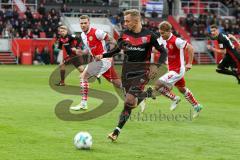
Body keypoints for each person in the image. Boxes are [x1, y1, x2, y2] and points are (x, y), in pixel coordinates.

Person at [95, 9, 167, 141]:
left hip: (142, 72)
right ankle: (146, 94)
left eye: (127, 21)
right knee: (131, 104)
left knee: (128, 100)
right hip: (126, 72)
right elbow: (116, 50)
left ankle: (116, 131)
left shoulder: (150, 35)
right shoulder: (124, 35)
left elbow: (163, 52)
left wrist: (156, 66)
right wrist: (103, 55)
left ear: (136, 21)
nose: (125, 23)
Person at [70, 15, 122, 111]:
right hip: (99, 61)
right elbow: (89, 50)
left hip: (104, 60)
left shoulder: (97, 32)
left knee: (83, 76)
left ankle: (83, 103)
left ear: (89, 23)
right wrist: (80, 52)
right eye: (81, 23)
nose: (83, 25)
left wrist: (112, 52)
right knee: (116, 82)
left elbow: (112, 40)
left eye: (85, 23)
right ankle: (135, 93)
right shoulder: (83, 35)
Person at [152, 21, 203, 118]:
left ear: (169, 31)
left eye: (163, 33)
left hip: (177, 70)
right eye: (160, 33)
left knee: (158, 84)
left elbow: (190, 48)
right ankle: (197, 106)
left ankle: (174, 98)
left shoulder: (176, 41)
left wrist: (189, 63)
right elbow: (155, 48)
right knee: (182, 89)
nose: (161, 35)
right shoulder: (162, 39)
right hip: (171, 69)